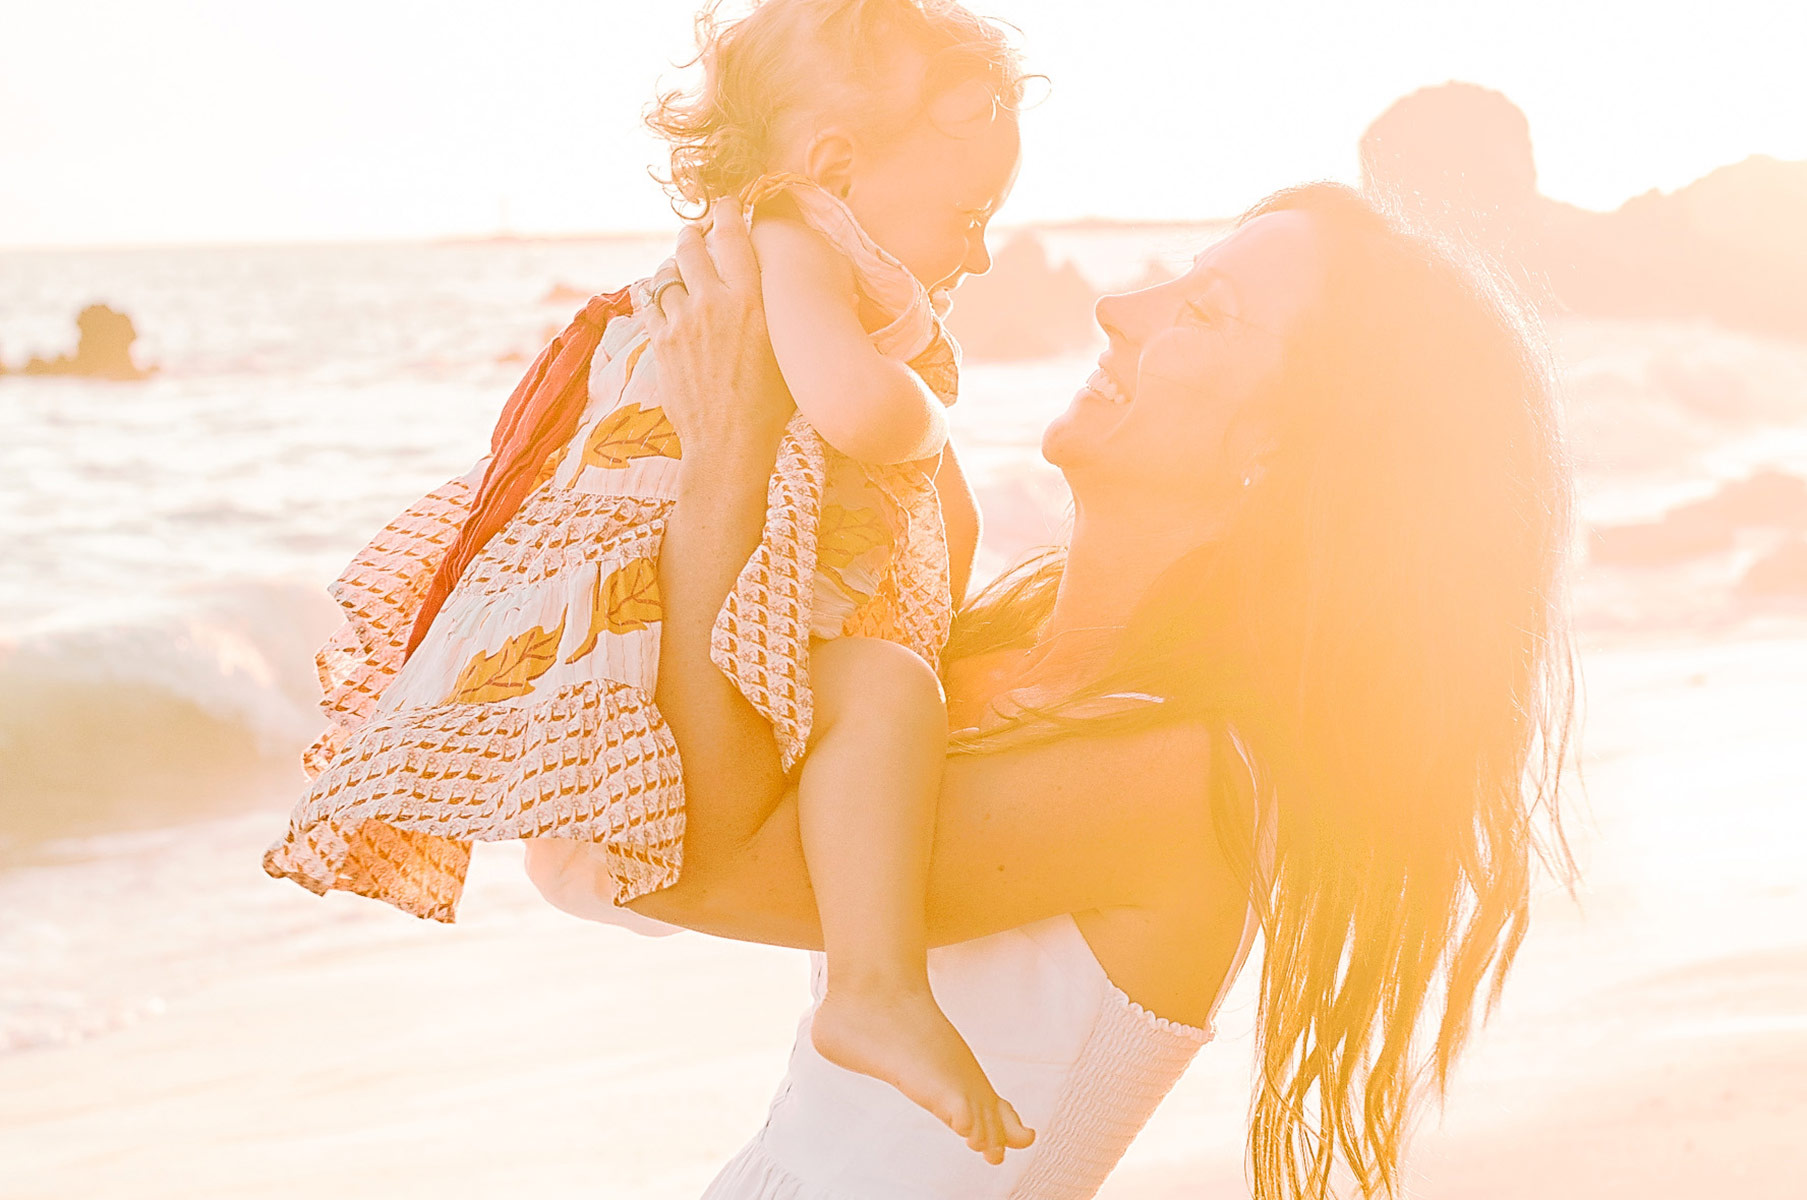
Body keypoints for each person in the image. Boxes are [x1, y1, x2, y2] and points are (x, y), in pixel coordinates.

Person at [623, 181, 1575, 1199]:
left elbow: (686, 864)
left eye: (1204, 311)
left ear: (1282, 450)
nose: (1119, 310)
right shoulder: (986, 642)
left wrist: (721, 453)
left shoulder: (1181, 774)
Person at [262, 0, 1035, 1160]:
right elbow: (869, 418)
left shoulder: (768, 251)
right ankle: (873, 991)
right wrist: (927, 404)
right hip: (654, 690)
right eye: (971, 212)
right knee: (881, 692)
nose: (981, 252)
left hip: (672, 671)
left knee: (891, 684)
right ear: (832, 166)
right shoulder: (792, 244)